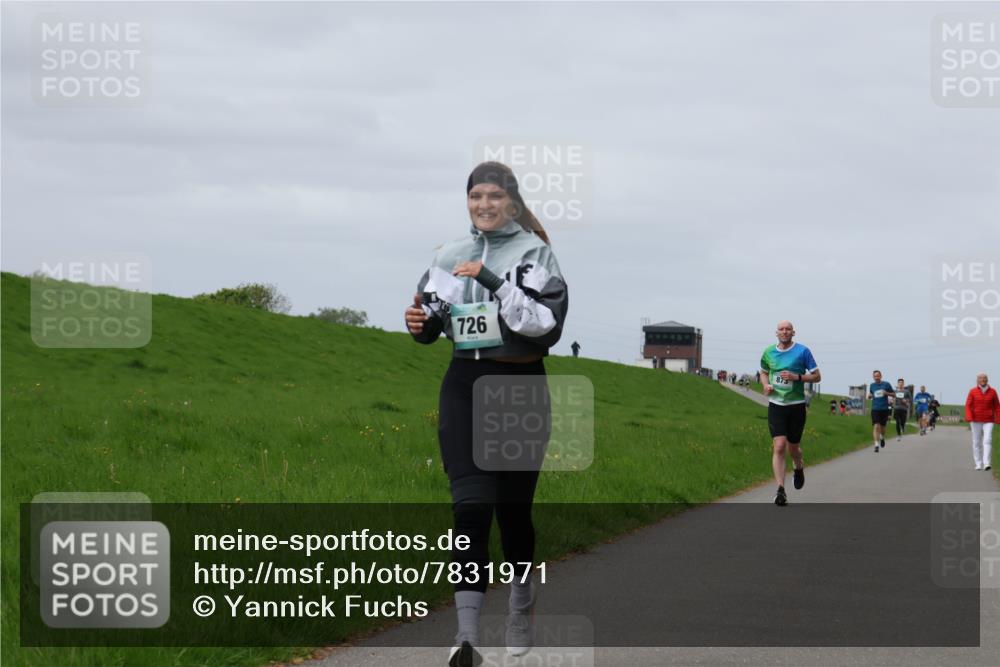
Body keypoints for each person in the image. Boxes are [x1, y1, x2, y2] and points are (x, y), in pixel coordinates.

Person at [404, 161, 569, 665]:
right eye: (476, 197)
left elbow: (543, 325)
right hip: (464, 385)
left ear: (513, 204)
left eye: (494, 197)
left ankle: (521, 603)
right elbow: (434, 317)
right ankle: (467, 637)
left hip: (518, 385)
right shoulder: (449, 253)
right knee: (470, 508)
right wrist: (419, 323)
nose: (484, 205)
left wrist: (492, 278)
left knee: (513, 512)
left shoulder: (535, 253)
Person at [760, 320, 821, 506]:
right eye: (781, 329)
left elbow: (817, 376)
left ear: (793, 332)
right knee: (779, 446)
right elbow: (763, 371)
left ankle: (799, 466)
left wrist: (798, 377)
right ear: (776, 332)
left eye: (788, 329)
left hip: (796, 406)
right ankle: (780, 490)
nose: (784, 332)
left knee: (793, 448)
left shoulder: (803, 351)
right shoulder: (769, 352)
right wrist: (766, 385)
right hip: (776, 405)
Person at [964, 373, 999, 471]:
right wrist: (969, 416)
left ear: (987, 380)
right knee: (976, 442)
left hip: (989, 420)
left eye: (984, 378)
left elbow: (997, 406)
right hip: (976, 420)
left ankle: (987, 463)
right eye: (980, 378)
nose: (982, 380)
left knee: (987, 440)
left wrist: (998, 418)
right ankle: (978, 463)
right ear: (977, 380)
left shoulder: (993, 392)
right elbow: (968, 405)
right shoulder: (973, 391)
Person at [868, 370, 893, 452]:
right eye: (875, 376)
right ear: (873, 377)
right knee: (876, 426)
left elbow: (894, 394)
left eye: (878, 376)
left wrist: (886, 393)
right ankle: (876, 445)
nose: (876, 377)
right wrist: (869, 396)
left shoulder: (886, 384)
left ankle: (882, 437)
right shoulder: (872, 385)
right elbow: (871, 395)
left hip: (884, 409)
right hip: (875, 408)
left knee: (883, 428)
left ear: (881, 376)